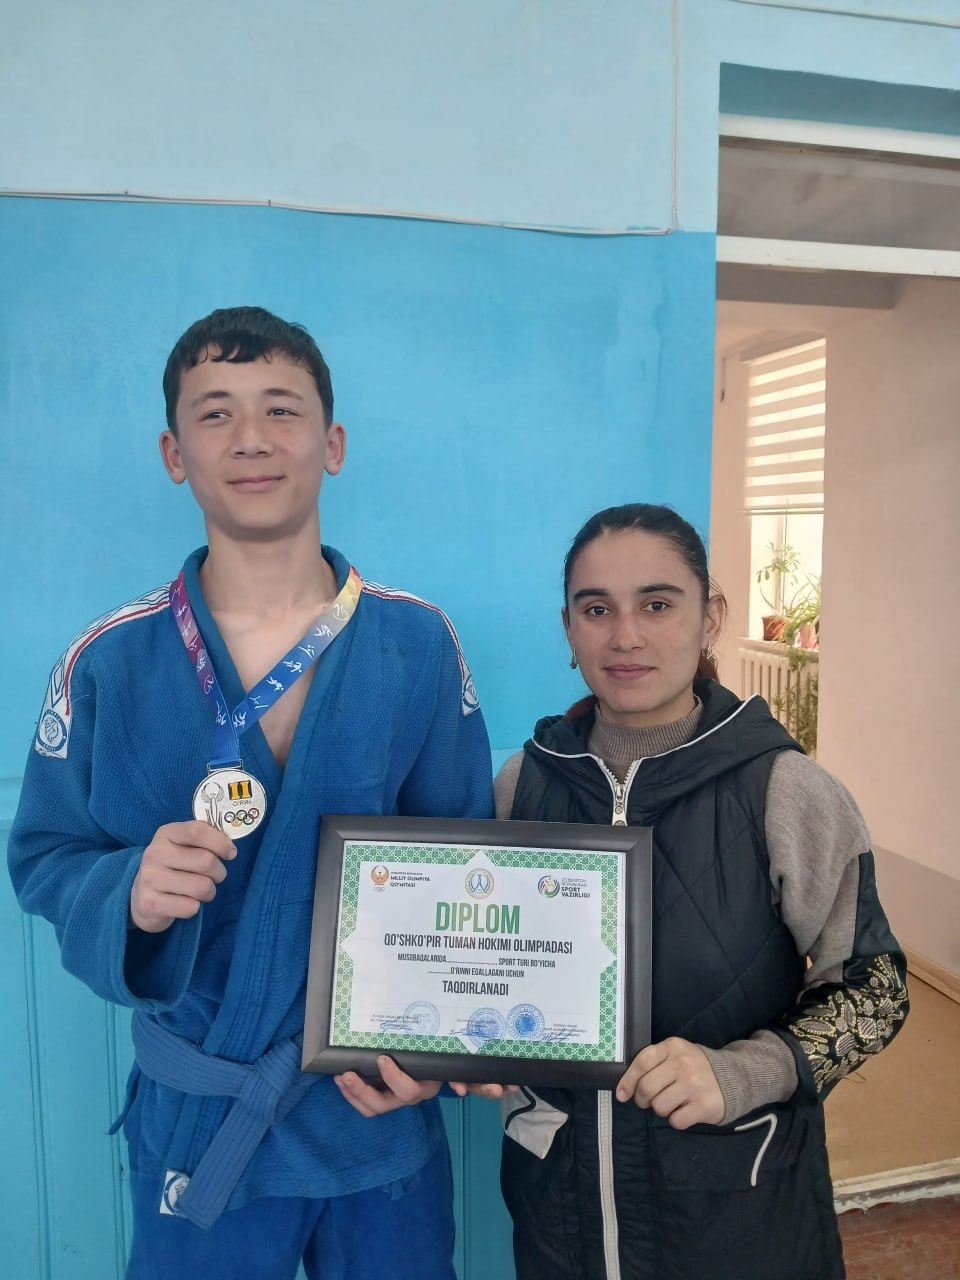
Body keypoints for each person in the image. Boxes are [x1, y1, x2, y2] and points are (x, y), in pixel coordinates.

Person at [8, 306, 493, 1280]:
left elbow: (466, 869)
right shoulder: (108, 659)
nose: (252, 438)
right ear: (174, 453)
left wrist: (438, 1054)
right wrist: (130, 892)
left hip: (371, 1105)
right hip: (204, 1114)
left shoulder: (416, 642)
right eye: (216, 412)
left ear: (332, 443)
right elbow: (45, 856)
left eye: (281, 408)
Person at [493, 502, 908, 1280]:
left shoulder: (786, 790)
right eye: (596, 609)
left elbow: (876, 991)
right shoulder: (523, 784)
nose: (625, 636)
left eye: (657, 604)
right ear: (569, 627)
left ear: (710, 617)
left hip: (738, 1212)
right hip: (559, 1216)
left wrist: (744, 1072)